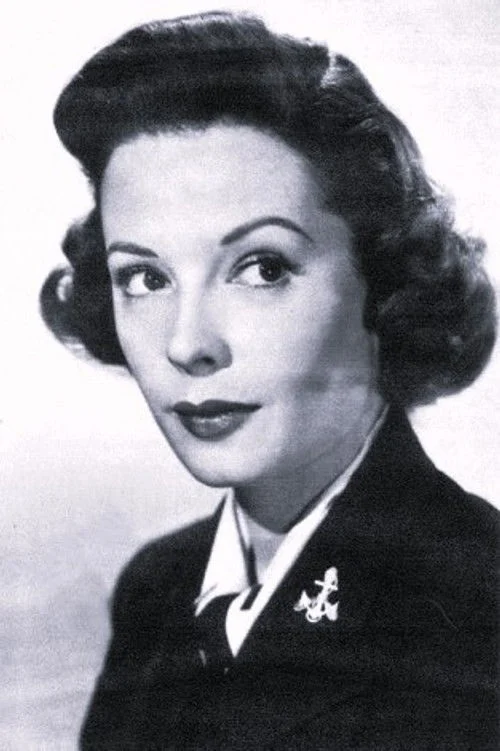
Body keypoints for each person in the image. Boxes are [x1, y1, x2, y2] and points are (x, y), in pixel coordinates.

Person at [41, 10, 498, 750]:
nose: (188, 344)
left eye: (262, 268)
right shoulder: (158, 590)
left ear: (383, 281)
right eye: (145, 277)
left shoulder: (479, 601)